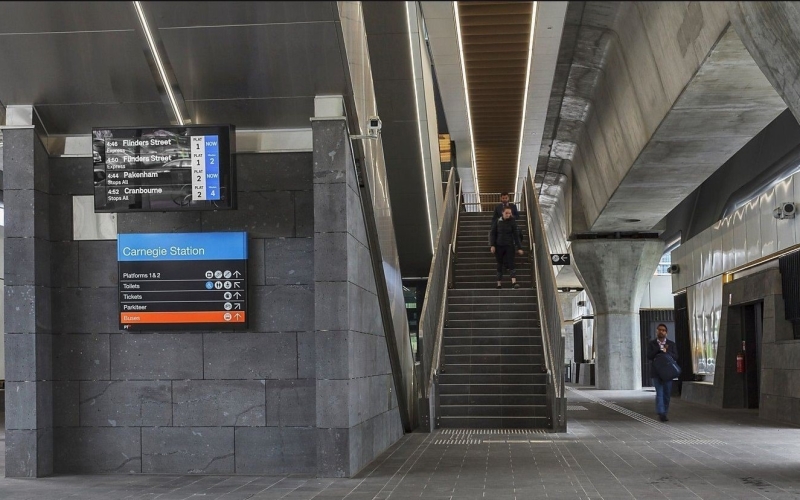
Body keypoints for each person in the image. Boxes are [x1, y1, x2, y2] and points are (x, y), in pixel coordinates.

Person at [647, 323, 678, 422]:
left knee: (667, 393)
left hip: (668, 373)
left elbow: (676, 356)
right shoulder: (652, 344)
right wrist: (659, 349)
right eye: (659, 330)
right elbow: (649, 356)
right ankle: (661, 412)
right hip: (656, 372)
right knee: (659, 392)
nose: (661, 331)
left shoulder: (671, 344)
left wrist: (666, 352)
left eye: (663, 330)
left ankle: (664, 411)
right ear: (656, 331)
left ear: (666, 333)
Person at [490, 207, 524, 289]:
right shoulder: (497, 221)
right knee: (499, 263)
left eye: (509, 213)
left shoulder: (512, 222)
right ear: (502, 213)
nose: (508, 215)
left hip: (509, 245)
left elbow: (516, 235)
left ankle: (514, 282)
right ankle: (499, 283)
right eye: (506, 213)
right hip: (499, 246)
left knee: (511, 263)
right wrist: (492, 245)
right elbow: (493, 233)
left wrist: (519, 247)